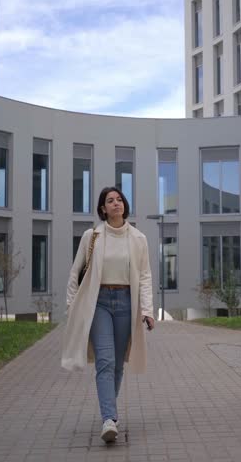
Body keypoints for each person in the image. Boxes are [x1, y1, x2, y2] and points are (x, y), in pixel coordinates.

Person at [61, 186, 155, 443]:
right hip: (99, 302)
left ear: (124, 205)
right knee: (104, 360)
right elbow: (75, 272)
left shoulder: (138, 239)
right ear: (103, 209)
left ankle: (108, 412)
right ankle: (109, 419)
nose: (116, 203)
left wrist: (147, 310)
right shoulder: (92, 236)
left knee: (116, 364)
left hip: (126, 302)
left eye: (119, 199)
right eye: (110, 201)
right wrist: (72, 307)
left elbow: (145, 277)